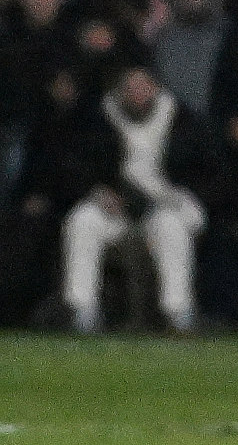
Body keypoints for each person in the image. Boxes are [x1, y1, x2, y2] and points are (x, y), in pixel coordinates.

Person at [58, 64, 218, 333]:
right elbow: (76, 167)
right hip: (118, 209)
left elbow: (208, 173)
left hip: (169, 206)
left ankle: (178, 312)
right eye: (130, 88)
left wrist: (175, 195)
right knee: (82, 221)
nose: (138, 94)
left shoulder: (182, 121)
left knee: (171, 227)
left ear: (156, 88)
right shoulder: (100, 120)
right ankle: (83, 310)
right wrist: (99, 191)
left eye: (144, 87)